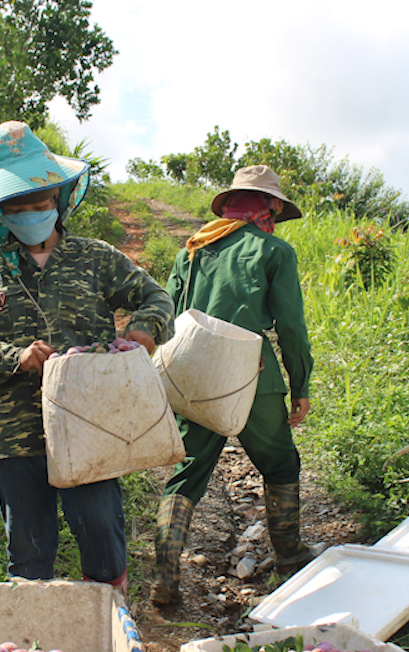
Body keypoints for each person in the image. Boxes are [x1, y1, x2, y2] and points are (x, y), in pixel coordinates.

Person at [0, 121, 173, 592]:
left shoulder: (95, 258)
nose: (33, 213)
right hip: (16, 434)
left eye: (42, 203)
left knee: (102, 534)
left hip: (92, 426)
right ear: (0, 212)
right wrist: (16, 357)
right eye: (19, 206)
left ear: (57, 201)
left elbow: (156, 298)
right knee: (29, 552)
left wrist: (140, 335)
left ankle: (110, 635)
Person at [152, 165, 318, 605]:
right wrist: (300, 384)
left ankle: (165, 577)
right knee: (280, 465)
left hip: (194, 371)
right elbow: (292, 327)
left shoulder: (192, 249)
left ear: (228, 205)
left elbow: (167, 313)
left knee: (187, 474)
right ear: (271, 207)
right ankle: (288, 556)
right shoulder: (275, 251)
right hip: (253, 374)